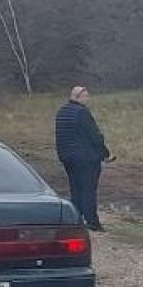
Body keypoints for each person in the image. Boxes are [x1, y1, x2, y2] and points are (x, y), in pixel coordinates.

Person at [53, 84, 111, 229]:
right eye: (86, 96)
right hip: (86, 158)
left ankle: (75, 219)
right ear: (78, 96)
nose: (87, 99)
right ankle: (92, 221)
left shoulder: (61, 112)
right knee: (89, 189)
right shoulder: (81, 112)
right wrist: (104, 152)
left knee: (75, 188)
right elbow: (94, 135)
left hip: (67, 157)